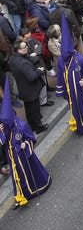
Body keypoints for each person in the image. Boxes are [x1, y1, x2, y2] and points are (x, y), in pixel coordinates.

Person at [0, 78, 51, 209]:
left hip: (25, 157)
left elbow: (31, 139)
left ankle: (37, 188)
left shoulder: (21, 126)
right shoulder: (5, 129)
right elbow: (3, 142)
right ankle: (21, 195)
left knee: (29, 173)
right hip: (13, 160)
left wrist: (25, 145)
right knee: (18, 178)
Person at [56, 15, 83, 135]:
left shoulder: (78, 59)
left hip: (80, 88)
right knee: (75, 109)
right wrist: (62, 90)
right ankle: (82, 125)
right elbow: (60, 76)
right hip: (69, 91)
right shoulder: (60, 61)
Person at [8, 38, 48, 133]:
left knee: (29, 109)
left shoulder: (13, 59)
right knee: (34, 110)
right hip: (31, 90)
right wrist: (39, 71)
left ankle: (32, 126)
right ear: (18, 49)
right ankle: (39, 127)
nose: (26, 48)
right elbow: (32, 76)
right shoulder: (23, 63)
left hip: (23, 89)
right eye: (24, 47)